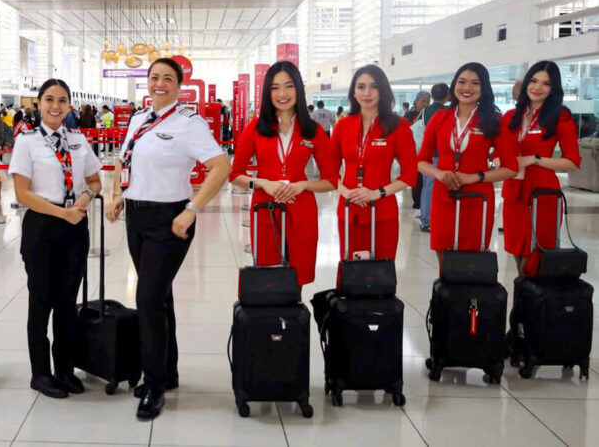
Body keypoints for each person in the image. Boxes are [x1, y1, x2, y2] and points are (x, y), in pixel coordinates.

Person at [106, 58, 230, 419]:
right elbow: (122, 160)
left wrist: (192, 208)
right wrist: (117, 194)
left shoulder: (188, 123)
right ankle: (168, 370)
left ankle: (155, 384)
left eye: (168, 79)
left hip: (170, 219)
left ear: (179, 85)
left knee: (147, 298)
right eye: (154, 77)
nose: (160, 83)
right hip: (137, 215)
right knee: (160, 297)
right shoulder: (137, 118)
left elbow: (220, 166)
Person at [10, 79, 102, 399]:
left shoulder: (77, 139)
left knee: (66, 303)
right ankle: (41, 372)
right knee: (42, 301)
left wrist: (85, 199)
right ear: (39, 103)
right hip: (42, 228)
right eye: (49, 99)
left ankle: (64, 368)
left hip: (75, 226)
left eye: (62, 100)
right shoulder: (27, 142)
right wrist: (61, 213)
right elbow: (22, 193)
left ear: (69, 105)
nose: (56, 106)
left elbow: (94, 180)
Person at [229, 61, 337, 285]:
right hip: (265, 207)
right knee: (268, 279)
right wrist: (262, 183)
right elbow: (235, 174)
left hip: (302, 209)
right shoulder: (256, 128)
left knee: (298, 276)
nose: (282, 94)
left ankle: (293, 321)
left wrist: (303, 185)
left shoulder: (313, 131)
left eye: (288, 86)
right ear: (268, 92)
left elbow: (331, 180)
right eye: (275, 88)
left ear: (298, 89)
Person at [417, 63, 517, 267]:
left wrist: (477, 176)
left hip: (478, 198)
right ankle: (446, 298)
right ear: (454, 85)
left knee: (473, 261)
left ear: (484, 88)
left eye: (475, 83)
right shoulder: (440, 118)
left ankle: (472, 300)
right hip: (443, 195)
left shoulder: (493, 120)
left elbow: (511, 167)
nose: (467, 88)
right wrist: (438, 173)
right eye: (462, 82)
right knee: (443, 255)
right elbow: (419, 160)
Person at [331, 65, 418, 261]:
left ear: (383, 91)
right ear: (354, 91)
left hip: (382, 211)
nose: (367, 93)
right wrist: (346, 192)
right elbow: (329, 170)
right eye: (361, 87)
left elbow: (410, 174)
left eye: (374, 87)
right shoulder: (343, 125)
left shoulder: (398, 125)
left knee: (380, 275)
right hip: (348, 208)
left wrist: (376, 193)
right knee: (350, 273)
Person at [501, 61, 580, 274]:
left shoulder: (560, 116)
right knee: (517, 251)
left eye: (546, 84)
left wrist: (535, 159)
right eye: (534, 81)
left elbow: (572, 162)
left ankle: (531, 303)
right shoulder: (511, 117)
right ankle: (524, 301)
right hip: (513, 194)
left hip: (542, 195)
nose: (537, 87)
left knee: (536, 255)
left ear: (553, 88)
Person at [419, 83, 450, 232]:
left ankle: (425, 218)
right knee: (435, 186)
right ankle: (430, 219)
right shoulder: (449, 111)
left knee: (427, 186)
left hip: (426, 154)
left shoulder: (425, 110)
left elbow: (416, 126)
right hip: (442, 154)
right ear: (448, 96)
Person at [406, 91, 431, 215]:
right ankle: (417, 206)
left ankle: (425, 206)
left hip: (426, 152)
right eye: (423, 101)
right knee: (417, 180)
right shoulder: (410, 115)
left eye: (428, 101)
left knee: (427, 180)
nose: (426, 104)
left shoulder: (430, 114)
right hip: (414, 152)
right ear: (416, 101)